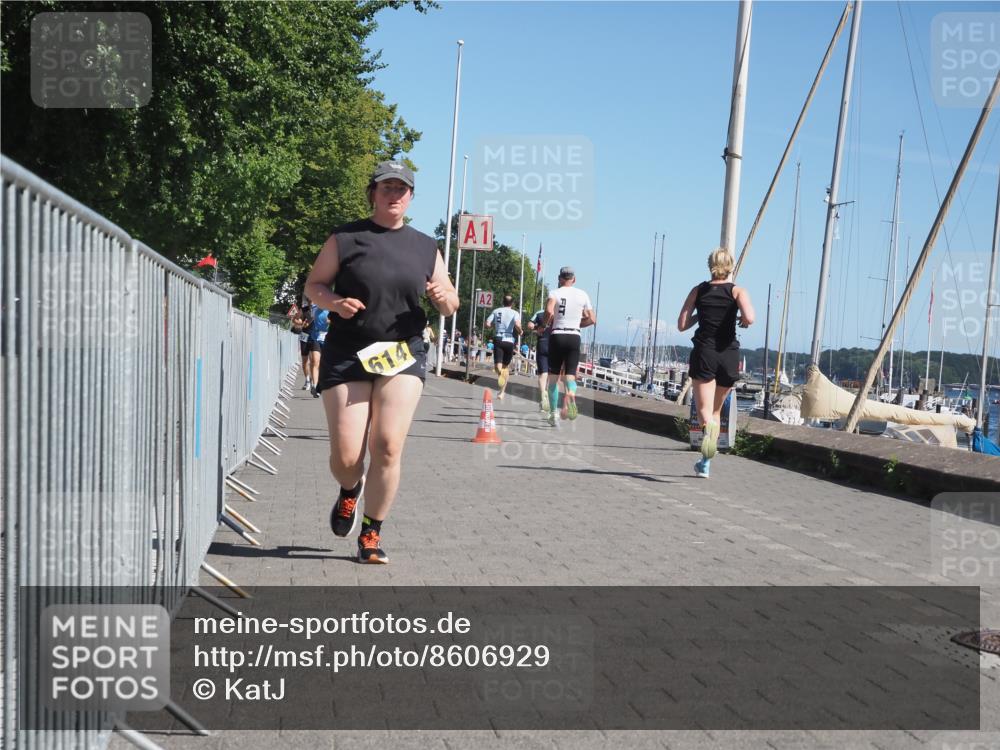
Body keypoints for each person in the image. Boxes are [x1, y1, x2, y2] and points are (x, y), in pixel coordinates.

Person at [305, 160, 459, 563]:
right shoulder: (345, 237)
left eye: (402, 189)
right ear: (372, 193)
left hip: (401, 353)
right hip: (349, 351)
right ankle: (349, 491)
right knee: (347, 457)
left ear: (410, 197)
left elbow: (450, 299)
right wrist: (335, 302)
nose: (394, 194)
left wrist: (444, 300)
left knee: (388, 445)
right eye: (386, 187)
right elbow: (314, 286)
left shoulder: (426, 246)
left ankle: (371, 534)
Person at [677, 247, 755, 479]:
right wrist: (740, 318)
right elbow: (750, 318)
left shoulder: (698, 290)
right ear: (730, 267)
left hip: (705, 352)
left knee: (704, 411)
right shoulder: (737, 291)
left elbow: (682, 324)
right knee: (717, 410)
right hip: (728, 354)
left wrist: (701, 314)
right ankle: (705, 463)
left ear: (710, 265)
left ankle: (707, 438)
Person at [542, 267, 596, 426]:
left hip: (558, 335)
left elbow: (549, 311)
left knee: (553, 379)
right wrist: (577, 324)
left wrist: (544, 325)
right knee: (570, 375)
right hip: (574, 336)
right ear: (574, 279)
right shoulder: (582, 294)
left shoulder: (555, 293)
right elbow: (592, 319)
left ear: (559, 278)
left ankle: (553, 414)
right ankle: (570, 394)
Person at [485, 295, 522, 400]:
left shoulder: (496, 311)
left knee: (498, 367)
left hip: (499, 338)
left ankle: (501, 376)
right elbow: (517, 324)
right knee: (505, 368)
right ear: (512, 303)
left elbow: (487, 323)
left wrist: (492, 326)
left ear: (503, 302)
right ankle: (502, 392)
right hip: (509, 340)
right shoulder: (515, 313)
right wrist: (520, 331)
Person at [527, 307, 551, 412]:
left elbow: (530, 325)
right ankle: (548, 399)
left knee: (543, 374)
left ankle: (543, 397)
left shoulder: (539, 313)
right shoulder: (557, 313)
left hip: (542, 343)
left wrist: (537, 328)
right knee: (552, 374)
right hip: (555, 345)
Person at [306, 303, 329, 398]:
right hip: (315, 337)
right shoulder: (314, 308)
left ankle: (320, 385)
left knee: (325, 364)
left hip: (328, 338)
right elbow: (308, 318)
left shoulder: (331, 308)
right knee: (315, 361)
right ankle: (314, 386)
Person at [292, 305, 312, 390]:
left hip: (316, 336)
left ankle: (315, 380)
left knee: (315, 360)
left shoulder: (321, 308)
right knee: (305, 360)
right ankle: (307, 381)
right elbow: (295, 320)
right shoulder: (304, 309)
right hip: (304, 336)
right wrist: (300, 322)